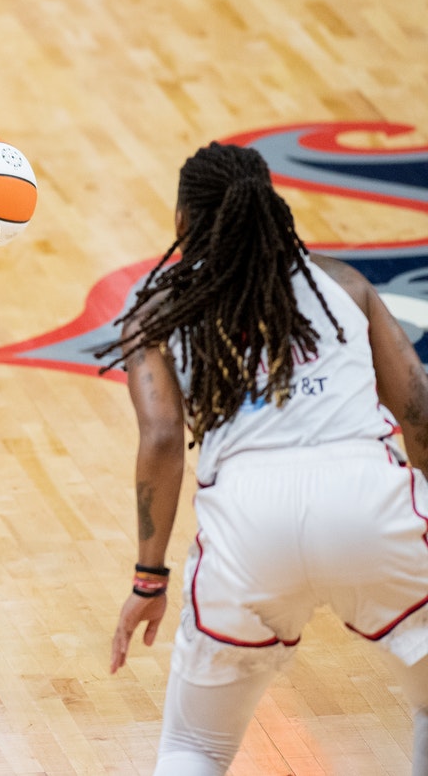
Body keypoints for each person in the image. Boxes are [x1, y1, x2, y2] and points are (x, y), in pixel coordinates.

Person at [102, 141, 428, 774]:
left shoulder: (157, 310)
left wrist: (149, 578)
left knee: (194, 748)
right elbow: (419, 414)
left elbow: (164, 440)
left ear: (182, 221)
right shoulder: (344, 284)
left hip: (247, 527)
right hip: (367, 500)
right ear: (271, 207)